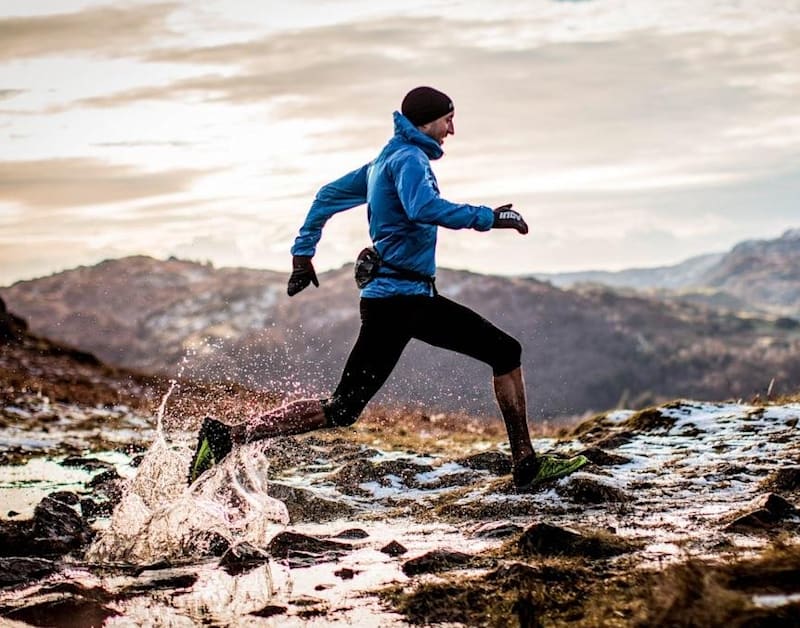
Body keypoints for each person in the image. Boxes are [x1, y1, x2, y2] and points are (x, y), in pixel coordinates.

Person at [188, 86, 588, 490]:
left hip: (394, 301)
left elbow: (327, 196)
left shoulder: (385, 159)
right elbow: (423, 208)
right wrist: (490, 217)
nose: (452, 129)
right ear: (428, 120)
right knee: (505, 351)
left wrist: (302, 253)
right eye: (449, 119)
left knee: (343, 408)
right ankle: (526, 464)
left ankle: (227, 437)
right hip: (404, 301)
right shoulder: (409, 159)